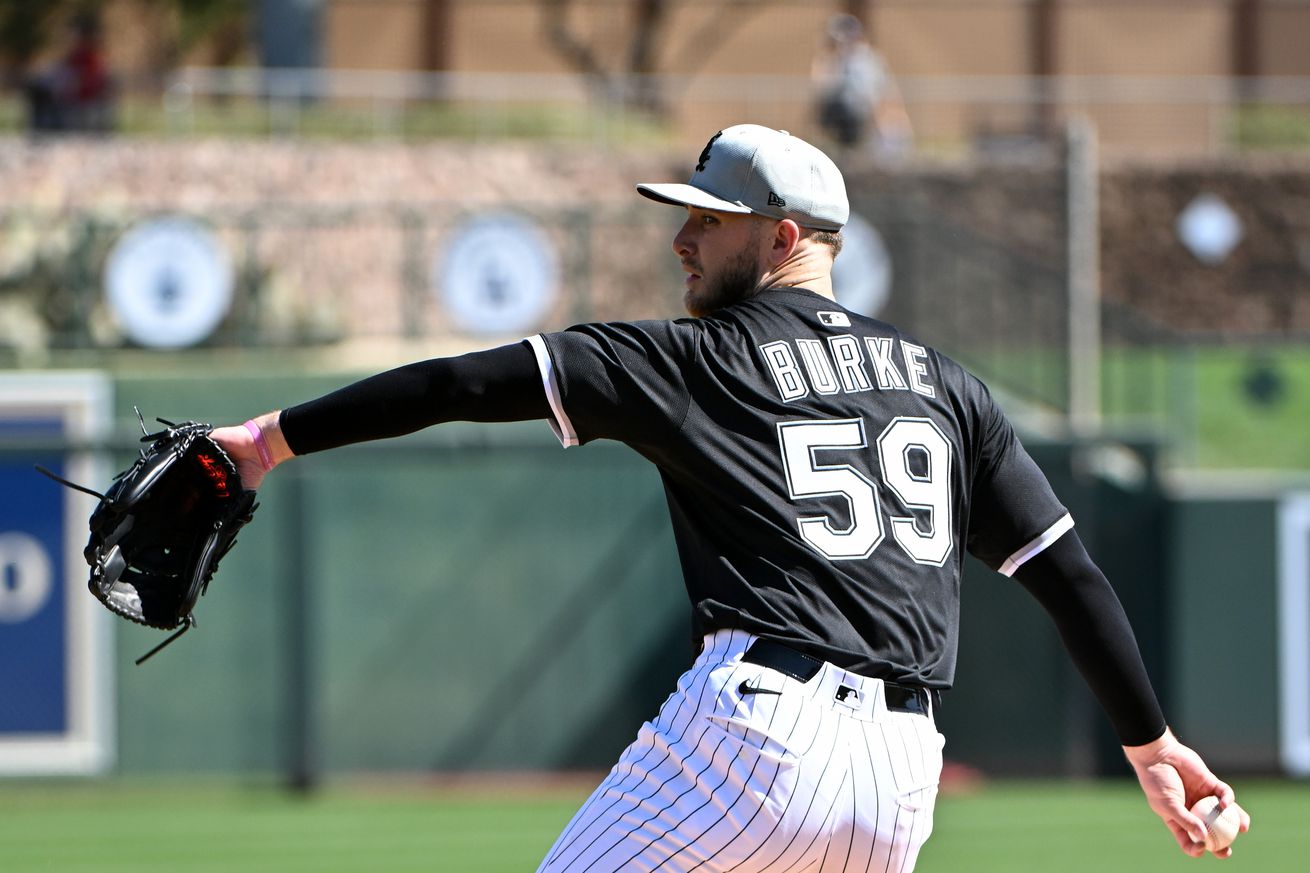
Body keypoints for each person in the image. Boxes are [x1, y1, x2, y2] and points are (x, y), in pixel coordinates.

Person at [211, 124, 1247, 871]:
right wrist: (1149, 744)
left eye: (710, 220)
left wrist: (268, 440)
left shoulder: (696, 361)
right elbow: (1065, 574)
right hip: (897, 775)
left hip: (754, 739)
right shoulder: (945, 384)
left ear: (783, 237)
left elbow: (455, 384)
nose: (683, 241)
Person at [812, 13, 913, 160]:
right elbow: (821, 84)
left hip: (862, 111)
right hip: (844, 113)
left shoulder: (867, 59)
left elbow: (879, 90)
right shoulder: (836, 59)